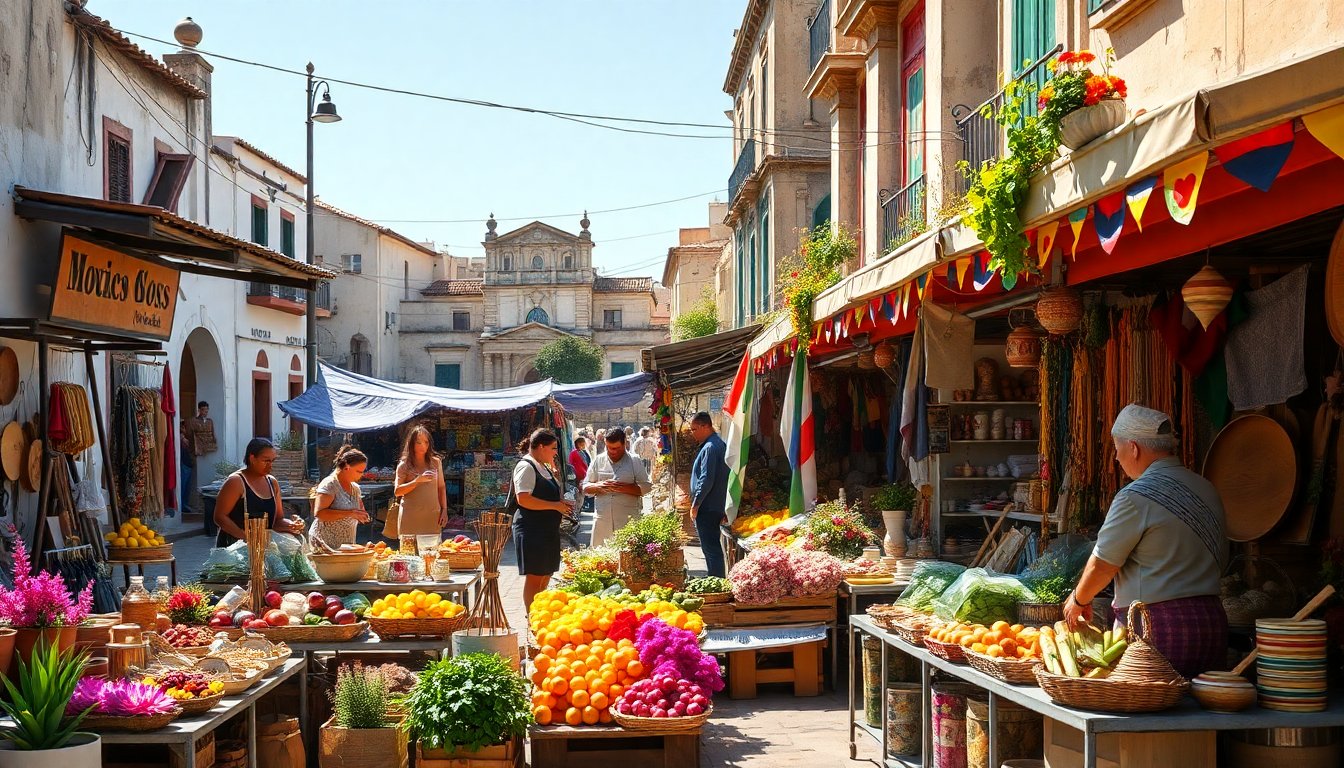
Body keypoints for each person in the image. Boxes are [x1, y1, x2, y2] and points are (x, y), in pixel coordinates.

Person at [1063, 404, 1229, 679]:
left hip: (1158, 630)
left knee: (1147, 718)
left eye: (1117, 448)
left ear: (1134, 448)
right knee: (1200, 716)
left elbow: (1103, 565)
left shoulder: (1134, 497)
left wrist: (1079, 599)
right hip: (1211, 626)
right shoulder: (1207, 489)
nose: (1116, 457)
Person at [510, 429, 575, 612]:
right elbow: (523, 498)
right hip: (532, 529)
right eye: (553, 448)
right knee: (535, 576)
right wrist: (555, 506)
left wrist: (560, 502)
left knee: (546, 573)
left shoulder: (542, 465)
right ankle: (532, 617)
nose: (556, 452)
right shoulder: (526, 466)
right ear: (540, 446)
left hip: (546, 530)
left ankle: (540, 613)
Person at [213, 438, 303, 547]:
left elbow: (277, 521)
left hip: (262, 546)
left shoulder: (272, 483)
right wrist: (246, 537)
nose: (270, 465)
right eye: (266, 461)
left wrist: (292, 525)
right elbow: (220, 517)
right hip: (235, 548)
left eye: (272, 461)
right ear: (252, 458)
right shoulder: (236, 482)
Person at [584, 430, 651, 546]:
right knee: (601, 560)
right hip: (602, 522)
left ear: (625, 444)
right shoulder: (599, 460)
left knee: (627, 559)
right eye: (609, 448)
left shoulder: (634, 461)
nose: (612, 451)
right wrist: (598, 486)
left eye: (616, 448)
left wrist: (623, 488)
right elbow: (586, 487)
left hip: (627, 522)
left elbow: (646, 487)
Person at [688, 412, 729, 578]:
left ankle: (716, 582)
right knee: (712, 548)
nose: (692, 433)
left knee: (711, 548)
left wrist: (696, 504)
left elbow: (706, 479)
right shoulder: (716, 444)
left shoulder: (711, 447)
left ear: (706, 426)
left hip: (708, 506)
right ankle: (715, 580)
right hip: (715, 504)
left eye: (694, 429)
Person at [393, 425, 448, 538]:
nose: (423, 446)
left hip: (432, 516)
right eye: (418, 442)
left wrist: (444, 510)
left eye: (426, 442)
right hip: (410, 517)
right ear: (411, 444)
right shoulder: (404, 466)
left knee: (432, 553)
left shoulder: (436, 462)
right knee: (409, 554)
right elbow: (397, 491)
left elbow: (441, 487)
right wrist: (417, 481)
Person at [311, 446, 371, 548]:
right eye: (359, 471)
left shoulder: (355, 488)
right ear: (347, 467)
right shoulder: (330, 484)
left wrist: (362, 515)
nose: (361, 475)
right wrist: (351, 513)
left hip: (346, 545)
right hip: (324, 544)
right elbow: (319, 514)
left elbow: (359, 511)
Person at [568, 436, 591, 513]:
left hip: (582, 476)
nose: (584, 444)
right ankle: (576, 511)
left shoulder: (582, 452)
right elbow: (571, 465)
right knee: (578, 495)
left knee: (581, 495)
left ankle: (578, 510)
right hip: (577, 477)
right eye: (583, 443)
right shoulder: (574, 453)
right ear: (579, 443)